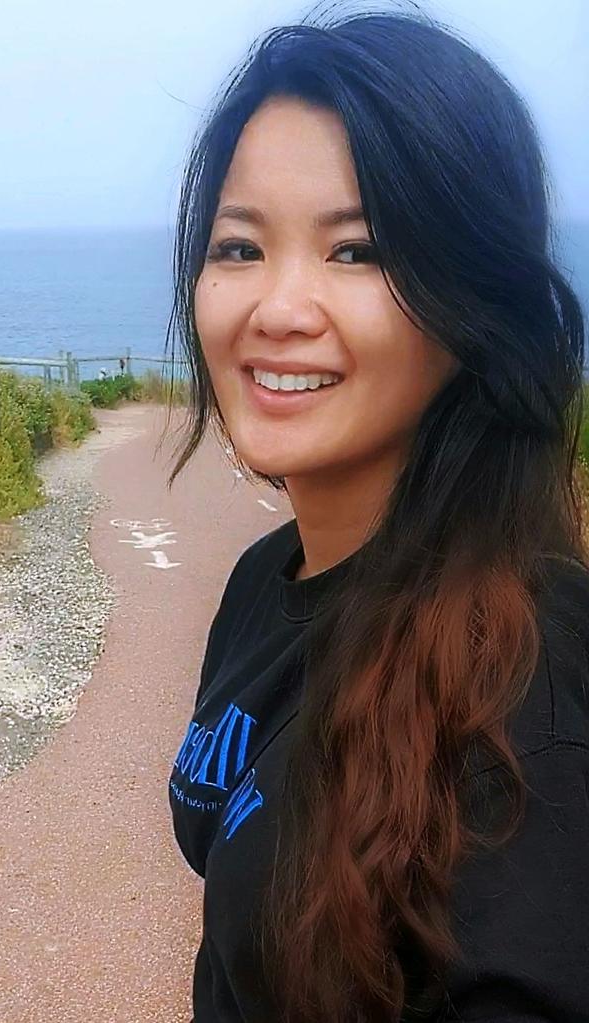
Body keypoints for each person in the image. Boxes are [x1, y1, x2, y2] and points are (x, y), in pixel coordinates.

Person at [164, 5, 589, 1023]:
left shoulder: (524, 693)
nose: (278, 307)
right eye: (238, 246)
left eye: (356, 252)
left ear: (474, 297)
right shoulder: (269, 581)